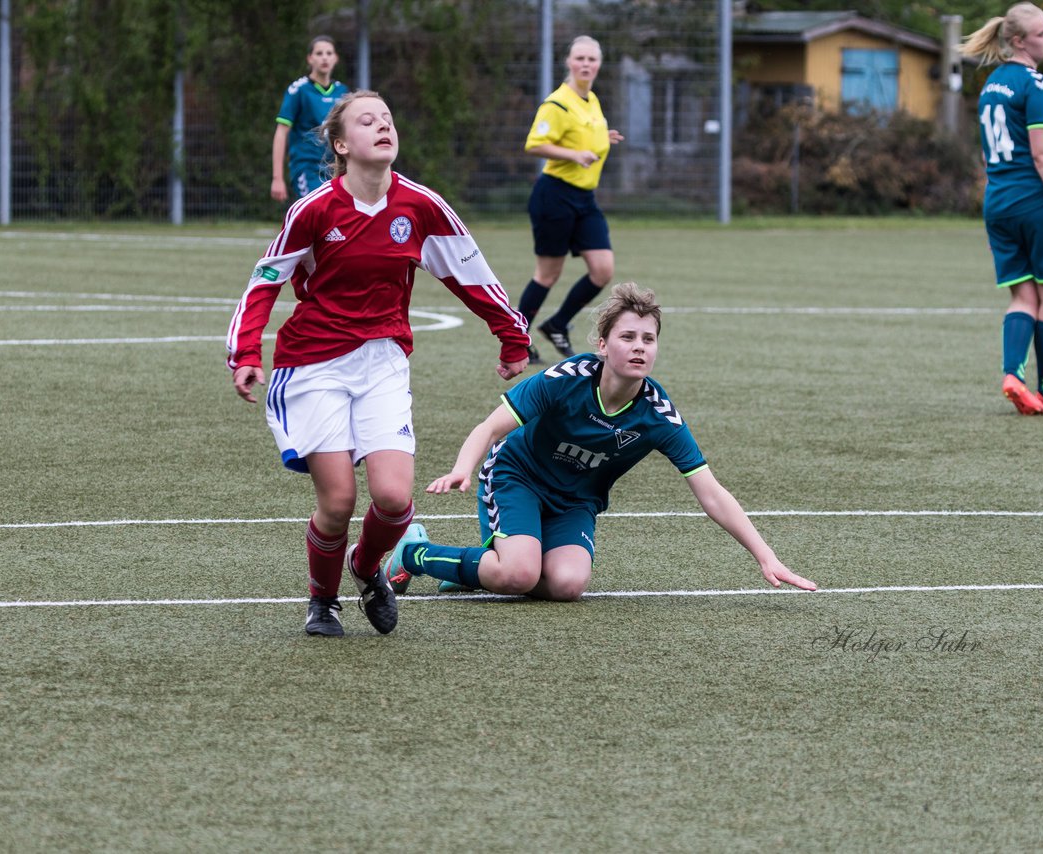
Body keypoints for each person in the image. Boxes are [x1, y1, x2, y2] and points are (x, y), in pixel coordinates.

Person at [228, 90, 532, 637]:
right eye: (367, 121)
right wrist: (246, 351)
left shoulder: (421, 206)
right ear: (342, 144)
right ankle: (323, 602)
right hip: (314, 364)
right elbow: (266, 280)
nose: (383, 127)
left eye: (388, 118)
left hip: (383, 361)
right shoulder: (314, 210)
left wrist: (511, 336)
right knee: (340, 499)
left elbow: (470, 272)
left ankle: (367, 571)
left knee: (394, 499)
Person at [379, 282, 818, 601]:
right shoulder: (565, 378)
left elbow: (711, 493)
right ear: (604, 345)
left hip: (575, 502)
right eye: (628, 337)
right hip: (517, 478)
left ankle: (479, 569)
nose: (639, 347)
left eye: (649, 339)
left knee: (567, 586)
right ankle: (415, 553)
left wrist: (766, 556)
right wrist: (464, 467)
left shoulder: (657, 413)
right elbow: (490, 428)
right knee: (519, 574)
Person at [962, 3, 1043, 415]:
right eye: (1042, 33)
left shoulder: (991, 84)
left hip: (997, 201)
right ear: (1018, 41)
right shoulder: (1035, 85)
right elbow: (1042, 156)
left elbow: (988, 155)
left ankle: (1013, 376)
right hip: (1035, 203)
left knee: (1023, 295)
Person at [517, 35, 625, 365]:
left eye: (592, 59)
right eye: (580, 58)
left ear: (599, 64)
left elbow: (582, 132)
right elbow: (534, 144)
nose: (586, 64)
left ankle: (558, 323)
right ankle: (516, 339)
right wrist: (574, 154)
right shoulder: (558, 103)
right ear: (568, 62)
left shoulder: (590, 100)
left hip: (584, 199)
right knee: (548, 274)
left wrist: (601, 138)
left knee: (603, 269)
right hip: (555, 195)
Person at [270, 36, 349, 203]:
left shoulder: (342, 91)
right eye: (319, 53)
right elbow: (281, 132)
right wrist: (277, 178)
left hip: (335, 167)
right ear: (310, 59)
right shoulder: (298, 90)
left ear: (336, 58)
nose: (324, 57)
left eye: (329, 53)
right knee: (314, 211)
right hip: (307, 167)